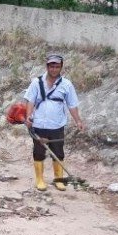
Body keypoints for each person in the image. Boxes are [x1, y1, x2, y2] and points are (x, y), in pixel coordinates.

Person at [23, 53, 85, 191]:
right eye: (52, 66)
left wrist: (78, 121)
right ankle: (39, 180)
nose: (54, 69)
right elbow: (30, 101)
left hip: (57, 125)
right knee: (39, 152)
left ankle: (59, 180)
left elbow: (72, 104)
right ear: (47, 66)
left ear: (61, 68)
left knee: (58, 152)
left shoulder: (67, 85)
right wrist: (28, 117)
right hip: (39, 124)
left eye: (57, 66)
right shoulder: (36, 82)